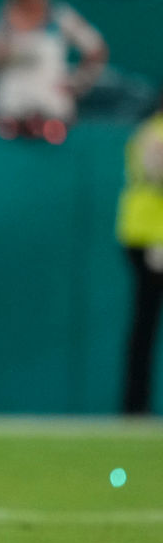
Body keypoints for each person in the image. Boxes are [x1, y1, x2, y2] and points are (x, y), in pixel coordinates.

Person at [0, 0, 107, 140]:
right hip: (10, 110)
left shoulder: (61, 16)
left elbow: (96, 49)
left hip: (53, 110)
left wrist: (78, 84)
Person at [116, 93, 163, 415]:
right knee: (145, 322)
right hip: (150, 238)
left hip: (147, 235)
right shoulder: (156, 133)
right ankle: (135, 407)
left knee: (145, 323)